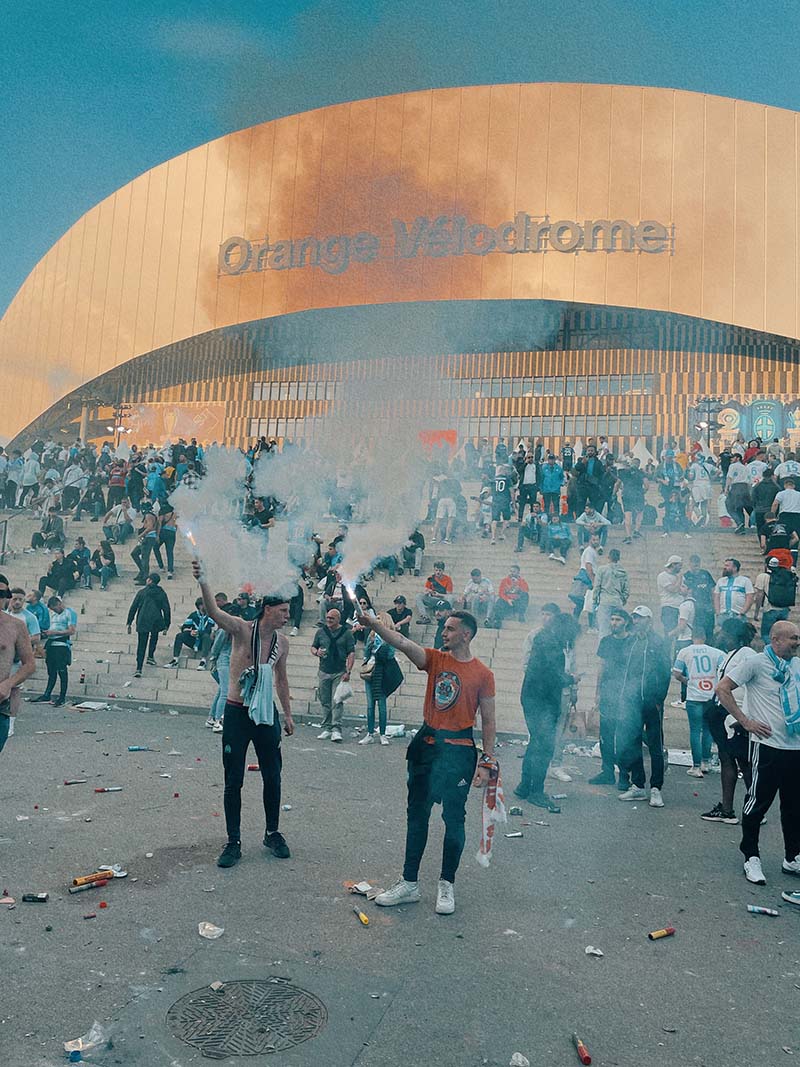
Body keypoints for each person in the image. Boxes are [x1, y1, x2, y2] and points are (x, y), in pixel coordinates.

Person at [357, 609, 495, 916]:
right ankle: (409, 883)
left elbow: (488, 720)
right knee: (416, 815)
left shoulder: (484, 675)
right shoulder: (435, 659)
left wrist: (487, 759)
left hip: (458, 752)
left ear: (466, 634)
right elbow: (403, 642)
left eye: (449, 629)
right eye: (443, 628)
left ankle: (447, 883)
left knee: (454, 819)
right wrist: (375, 624)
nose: (443, 633)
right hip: (427, 748)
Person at [192, 558, 294, 869]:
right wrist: (204, 579)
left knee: (273, 776)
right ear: (267, 609)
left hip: (266, 715)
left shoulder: (282, 643)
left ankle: (272, 832)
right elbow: (213, 611)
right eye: (283, 612)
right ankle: (233, 841)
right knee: (233, 779)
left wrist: (287, 715)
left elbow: (281, 678)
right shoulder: (240, 629)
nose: (287, 617)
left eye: (288, 612)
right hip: (237, 712)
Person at [715, 620, 800, 887]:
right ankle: (751, 856)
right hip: (767, 746)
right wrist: (746, 721)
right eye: (793, 638)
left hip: (795, 747)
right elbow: (722, 688)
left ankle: (792, 856)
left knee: (794, 807)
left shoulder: (796, 665)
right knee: (757, 804)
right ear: (776, 640)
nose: (798, 642)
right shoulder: (756, 663)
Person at [515, 613, 580, 813]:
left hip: (532, 697)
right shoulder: (553, 647)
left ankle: (524, 786)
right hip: (542, 702)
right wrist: (572, 679)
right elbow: (555, 677)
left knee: (536, 742)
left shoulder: (543, 639)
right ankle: (536, 791)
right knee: (544, 746)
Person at [700, 617, 757, 824]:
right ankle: (727, 809)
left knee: (745, 762)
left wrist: (742, 717)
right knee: (726, 758)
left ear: (733, 634)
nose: (720, 635)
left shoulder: (748, 655)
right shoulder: (728, 655)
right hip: (722, 713)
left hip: (737, 715)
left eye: (723, 632)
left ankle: (755, 809)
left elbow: (752, 688)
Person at [616, 605, 672, 808]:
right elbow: (623, 670)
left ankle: (656, 788)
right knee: (633, 743)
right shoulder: (630, 641)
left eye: (639, 618)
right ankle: (638, 785)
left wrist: (659, 699)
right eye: (634, 618)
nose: (636, 621)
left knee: (655, 746)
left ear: (649, 619)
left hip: (652, 701)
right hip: (631, 701)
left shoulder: (658, 642)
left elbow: (666, 672)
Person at [672, 627, 724, 777]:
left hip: (694, 695)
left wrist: (686, 681)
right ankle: (705, 762)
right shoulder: (717, 652)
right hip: (710, 696)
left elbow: (676, 673)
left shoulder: (685, 651)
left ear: (692, 636)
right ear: (705, 637)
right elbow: (725, 668)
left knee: (695, 731)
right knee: (707, 729)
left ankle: (695, 767)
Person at [591, 608, 634, 786]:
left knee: (623, 737)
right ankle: (607, 772)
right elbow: (602, 667)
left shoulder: (632, 641)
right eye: (612, 619)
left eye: (618, 620)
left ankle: (624, 776)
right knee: (606, 735)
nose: (614, 623)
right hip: (609, 693)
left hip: (626, 694)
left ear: (625, 622)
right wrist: (598, 693)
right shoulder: (606, 641)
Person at [0, 586, 36, 755]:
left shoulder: (16, 625)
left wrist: (8, 684)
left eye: (2, 595)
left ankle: (12, 721)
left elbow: (29, 664)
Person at [312, 607, 356, 743]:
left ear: (338, 619)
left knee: (337, 700)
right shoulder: (320, 632)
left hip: (339, 671)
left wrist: (348, 671)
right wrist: (316, 652)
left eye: (332, 618)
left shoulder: (347, 633)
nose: (328, 620)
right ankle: (327, 727)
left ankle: (336, 728)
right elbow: (313, 647)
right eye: (327, 618)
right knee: (325, 700)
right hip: (324, 670)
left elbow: (351, 653)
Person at [359, 613, 403, 746]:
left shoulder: (390, 636)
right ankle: (370, 733)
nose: (376, 620)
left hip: (383, 671)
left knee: (382, 705)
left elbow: (390, 654)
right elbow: (366, 653)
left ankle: (383, 733)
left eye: (378, 618)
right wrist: (370, 645)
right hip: (371, 670)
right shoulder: (372, 635)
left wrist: (383, 645)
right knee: (370, 705)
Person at [31, 596, 77, 706]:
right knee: (51, 670)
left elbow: (71, 631)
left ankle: (62, 697)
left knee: (62, 671)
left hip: (61, 645)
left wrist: (55, 632)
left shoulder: (69, 613)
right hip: (51, 644)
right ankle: (47, 694)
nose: (54, 611)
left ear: (59, 604)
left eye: (55, 608)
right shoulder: (54, 615)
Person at [126, 574, 172, 677]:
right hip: (156, 620)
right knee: (154, 637)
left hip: (143, 620)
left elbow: (133, 607)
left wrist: (129, 621)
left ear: (150, 580)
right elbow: (166, 609)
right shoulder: (161, 593)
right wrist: (167, 624)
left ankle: (139, 668)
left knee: (141, 644)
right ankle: (150, 656)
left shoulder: (142, 592)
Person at [753, 557, 798, 642]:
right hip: (784, 610)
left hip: (770, 609)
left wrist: (756, 612)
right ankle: (780, 652)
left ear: (766, 565)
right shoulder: (786, 575)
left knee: (766, 635)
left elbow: (759, 595)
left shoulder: (763, 576)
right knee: (780, 636)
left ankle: (772, 653)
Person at [592, 548, 629, 638]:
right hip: (617, 601)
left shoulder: (602, 569)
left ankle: (604, 649)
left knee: (604, 629)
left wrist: (595, 600)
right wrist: (622, 600)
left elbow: (596, 587)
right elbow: (626, 590)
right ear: (619, 558)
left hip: (605, 601)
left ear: (608, 557)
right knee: (618, 629)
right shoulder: (623, 572)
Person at [167, 598, 215, 666]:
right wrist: (190, 632)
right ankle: (175, 659)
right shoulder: (194, 615)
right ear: (200, 606)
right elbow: (185, 626)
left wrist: (198, 632)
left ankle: (203, 660)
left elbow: (209, 629)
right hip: (194, 640)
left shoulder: (211, 616)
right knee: (179, 636)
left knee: (206, 636)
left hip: (206, 641)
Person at [682, 554, 716, 643]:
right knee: (697, 631)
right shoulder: (686, 576)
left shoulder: (705, 574)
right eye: (693, 564)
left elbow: (713, 589)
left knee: (709, 631)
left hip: (707, 607)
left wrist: (714, 605)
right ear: (689, 564)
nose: (695, 566)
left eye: (697, 564)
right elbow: (683, 592)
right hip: (695, 609)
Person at [713, 557, 754, 625]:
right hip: (723, 615)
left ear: (735, 568)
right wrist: (718, 613)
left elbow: (750, 598)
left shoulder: (745, 580)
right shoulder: (721, 581)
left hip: (738, 615)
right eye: (725, 565)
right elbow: (716, 597)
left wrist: (742, 613)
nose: (724, 567)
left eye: (727, 566)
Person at [617, 457, 648, 544]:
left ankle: (628, 536)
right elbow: (647, 485)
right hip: (638, 494)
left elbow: (617, 483)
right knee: (640, 513)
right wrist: (642, 492)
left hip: (626, 494)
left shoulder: (624, 472)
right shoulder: (641, 473)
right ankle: (636, 531)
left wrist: (617, 491)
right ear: (638, 464)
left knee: (627, 515)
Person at [131, 501, 161, 583]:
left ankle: (145, 577)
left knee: (145, 558)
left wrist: (141, 535)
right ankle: (142, 572)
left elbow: (150, 527)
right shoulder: (153, 515)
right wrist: (157, 535)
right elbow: (158, 525)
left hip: (148, 538)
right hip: (149, 537)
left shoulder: (148, 515)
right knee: (134, 553)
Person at [5, 588, 41, 653]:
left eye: (20, 599)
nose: (17, 602)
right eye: (15, 599)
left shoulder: (30, 617)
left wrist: (18, 642)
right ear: (10, 599)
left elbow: (36, 638)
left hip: (21, 657)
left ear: (24, 600)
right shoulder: (5, 615)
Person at [724, 453, 753, 533]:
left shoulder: (733, 466)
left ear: (737, 458)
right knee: (741, 507)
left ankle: (739, 523)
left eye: (733, 458)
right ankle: (742, 527)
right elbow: (750, 481)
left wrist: (726, 488)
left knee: (730, 506)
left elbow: (729, 477)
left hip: (736, 487)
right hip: (745, 488)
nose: (731, 459)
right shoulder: (745, 467)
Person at [657, 555, 684, 634]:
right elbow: (674, 589)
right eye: (680, 565)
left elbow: (684, 591)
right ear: (673, 565)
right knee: (669, 632)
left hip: (681, 608)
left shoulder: (680, 577)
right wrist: (679, 579)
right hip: (669, 608)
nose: (681, 568)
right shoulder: (663, 576)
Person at [490, 463, 515, 543]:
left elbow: (491, 491)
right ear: (503, 471)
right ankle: (501, 533)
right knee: (506, 518)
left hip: (495, 501)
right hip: (505, 501)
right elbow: (512, 492)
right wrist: (513, 502)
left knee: (494, 519)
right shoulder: (507, 479)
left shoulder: (494, 479)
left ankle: (493, 537)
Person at [771, 476, 800, 543]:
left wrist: (773, 515)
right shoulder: (799, 494)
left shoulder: (781, 493)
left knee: (785, 532)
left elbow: (775, 504)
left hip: (785, 515)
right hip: (797, 515)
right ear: (794, 486)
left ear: (785, 485)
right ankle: (794, 550)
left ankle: (786, 548)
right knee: (796, 533)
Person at [516, 451, 539, 522]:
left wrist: (537, 486)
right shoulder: (523, 464)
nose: (531, 459)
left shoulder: (535, 465)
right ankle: (520, 518)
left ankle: (532, 518)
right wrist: (525, 463)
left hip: (532, 486)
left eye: (532, 457)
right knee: (522, 503)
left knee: (533, 503)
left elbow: (539, 475)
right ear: (526, 458)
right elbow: (519, 470)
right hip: (524, 486)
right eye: (529, 457)